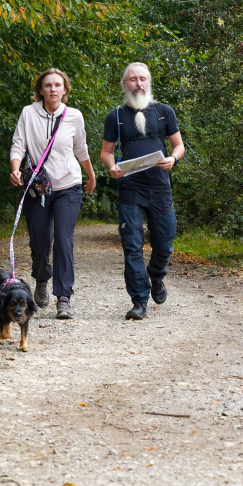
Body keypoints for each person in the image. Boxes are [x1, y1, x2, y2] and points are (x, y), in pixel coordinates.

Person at [100, 62, 185, 320]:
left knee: (165, 243)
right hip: (130, 189)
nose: (138, 84)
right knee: (132, 245)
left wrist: (173, 159)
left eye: (142, 79)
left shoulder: (164, 112)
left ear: (149, 82)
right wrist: (112, 166)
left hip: (160, 188)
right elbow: (106, 152)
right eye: (132, 80)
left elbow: (179, 145)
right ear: (125, 84)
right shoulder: (115, 116)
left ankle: (157, 275)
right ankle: (139, 301)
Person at [10, 68, 97, 319]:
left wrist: (90, 175)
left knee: (63, 240)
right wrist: (15, 169)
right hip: (37, 189)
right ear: (40, 90)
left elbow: (81, 148)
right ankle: (41, 279)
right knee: (39, 242)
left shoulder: (74, 116)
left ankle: (64, 297)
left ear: (65, 89)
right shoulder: (29, 113)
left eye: (58, 85)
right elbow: (19, 144)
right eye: (48, 85)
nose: (53, 90)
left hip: (68, 185)